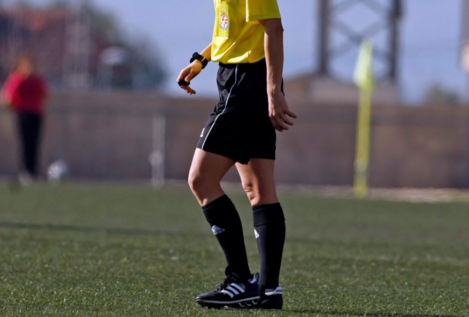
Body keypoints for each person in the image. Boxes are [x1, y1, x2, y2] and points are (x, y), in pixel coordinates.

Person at [177, 0, 297, 310]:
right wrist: (201, 60)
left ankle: (240, 279)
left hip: (245, 83)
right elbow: (232, 31)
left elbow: (274, 28)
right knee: (259, 189)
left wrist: (273, 89)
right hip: (239, 77)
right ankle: (268, 290)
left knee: (201, 179)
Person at [1, 55, 48, 183]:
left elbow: (44, 95)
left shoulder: (36, 80)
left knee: (34, 143)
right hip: (23, 114)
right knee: (25, 143)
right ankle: (25, 171)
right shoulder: (17, 79)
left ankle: (33, 171)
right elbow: (8, 97)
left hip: (36, 113)